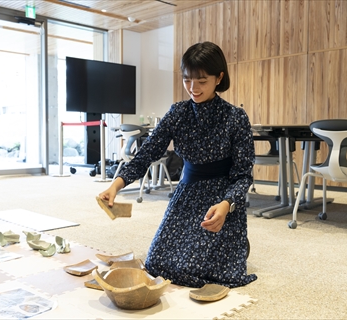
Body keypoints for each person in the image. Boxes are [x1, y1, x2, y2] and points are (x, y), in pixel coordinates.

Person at [98, 41, 257, 288]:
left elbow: (243, 175)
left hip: (220, 200)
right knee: (158, 264)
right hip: (187, 194)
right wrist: (116, 186)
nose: (193, 88)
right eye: (187, 79)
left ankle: (236, 242)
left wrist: (227, 205)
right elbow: (147, 153)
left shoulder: (236, 117)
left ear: (219, 78)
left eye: (202, 81)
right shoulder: (178, 112)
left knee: (196, 269)